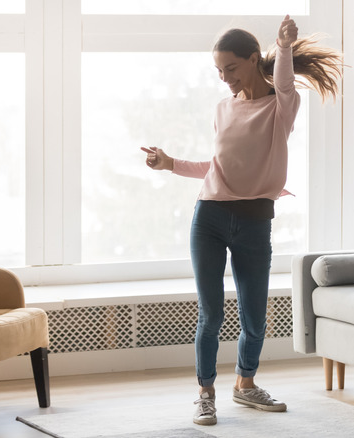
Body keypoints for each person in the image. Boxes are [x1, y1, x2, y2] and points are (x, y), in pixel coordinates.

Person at [141, 14, 342, 426]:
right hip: (209, 218)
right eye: (218, 71)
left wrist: (284, 46)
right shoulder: (222, 108)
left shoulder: (281, 106)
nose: (224, 78)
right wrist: (170, 164)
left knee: (254, 316)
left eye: (230, 68)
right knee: (211, 313)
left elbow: (284, 81)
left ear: (253, 60)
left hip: (254, 222)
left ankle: (245, 385)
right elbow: (218, 167)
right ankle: (205, 392)